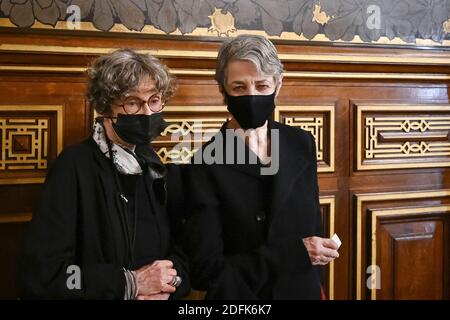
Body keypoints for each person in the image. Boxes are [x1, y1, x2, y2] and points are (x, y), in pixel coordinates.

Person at [17, 49, 189, 300]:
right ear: (104, 107)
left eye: (154, 100)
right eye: (132, 102)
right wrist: (129, 284)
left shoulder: (155, 165)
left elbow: (184, 252)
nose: (148, 113)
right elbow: (43, 274)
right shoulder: (73, 167)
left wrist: (169, 285)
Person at [183, 35, 339, 299]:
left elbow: (313, 228)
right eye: (239, 87)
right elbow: (205, 271)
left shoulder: (302, 143)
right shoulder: (204, 164)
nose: (252, 96)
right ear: (223, 90)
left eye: (262, 85)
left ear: (278, 86)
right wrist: (293, 254)